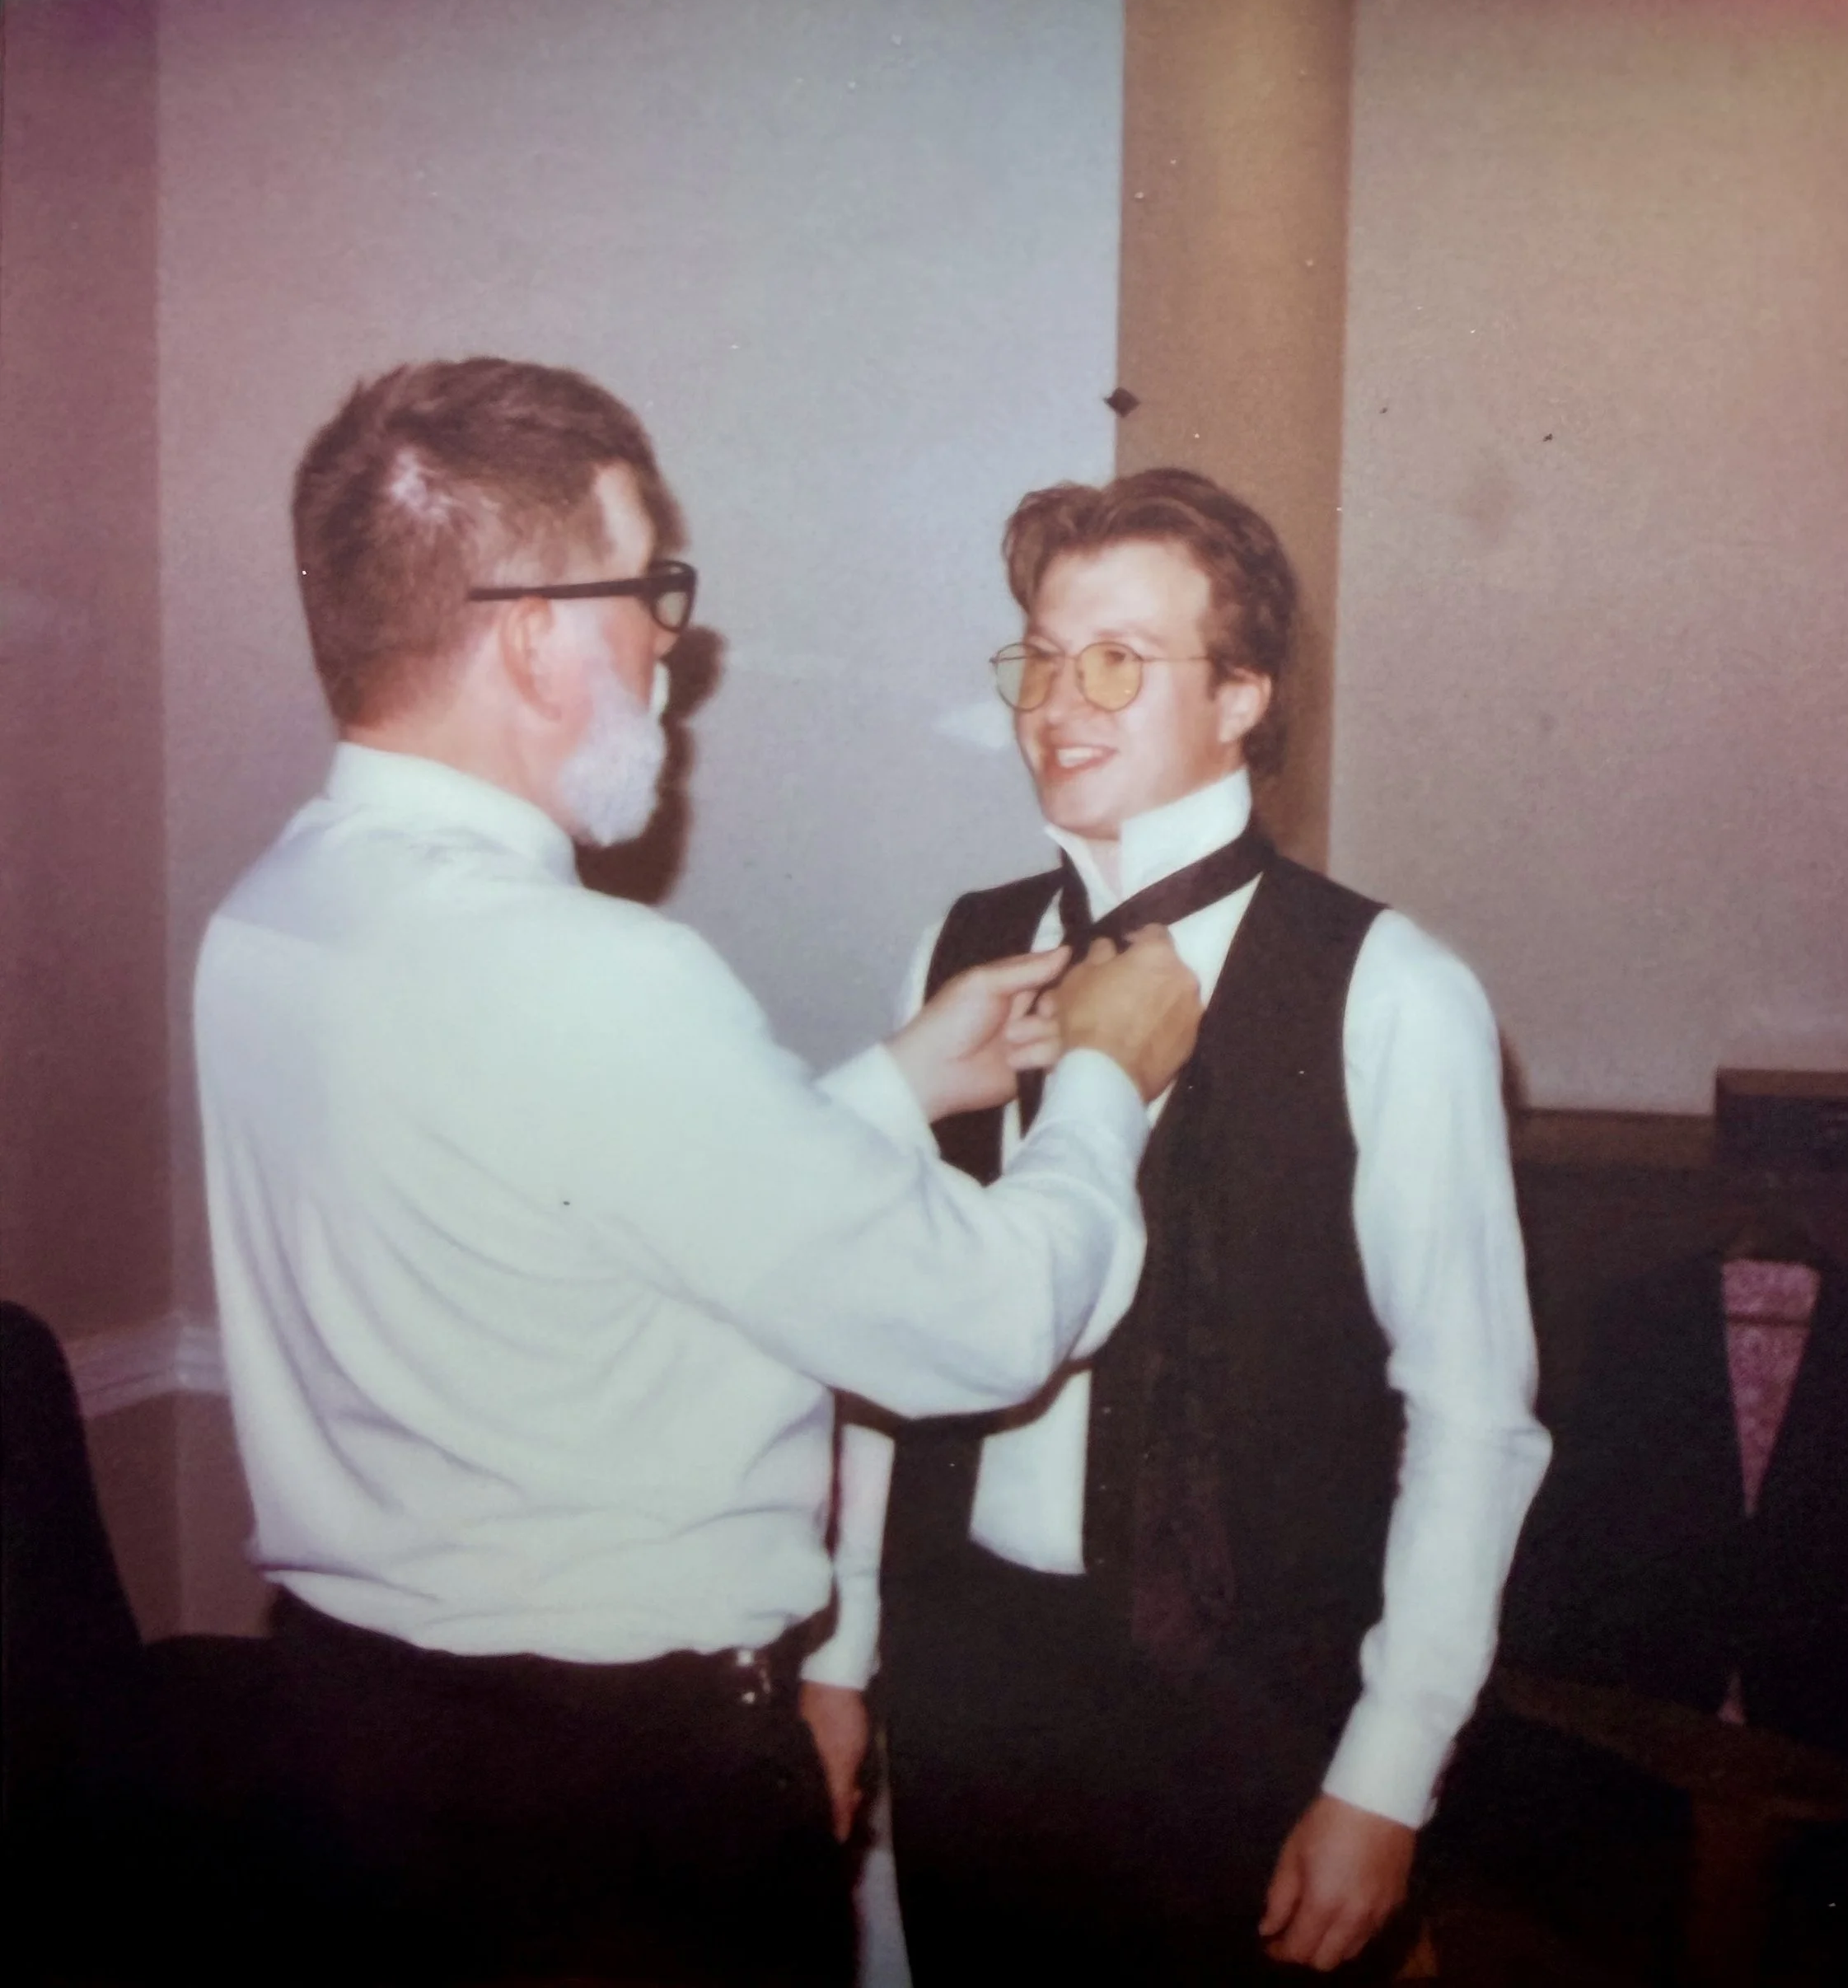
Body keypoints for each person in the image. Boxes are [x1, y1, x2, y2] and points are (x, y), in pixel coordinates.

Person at [192, 359, 1202, 1986]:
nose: (675, 641)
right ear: (528, 629)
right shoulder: (594, 972)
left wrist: (891, 1086)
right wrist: (1106, 1069)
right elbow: (981, 1323)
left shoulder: (274, 917)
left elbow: (579, 1210)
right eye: (650, 587)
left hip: (349, 1758)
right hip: (593, 1820)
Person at [808, 469, 1552, 1981]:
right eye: (1039, 654)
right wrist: (842, 1651)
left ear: (1243, 697)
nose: (1055, 705)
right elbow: (886, 1336)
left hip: (1246, 1712)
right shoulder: (957, 948)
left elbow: (1473, 1421)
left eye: (1119, 662)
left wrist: (1383, 1775)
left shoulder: (1391, 990)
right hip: (972, 1691)